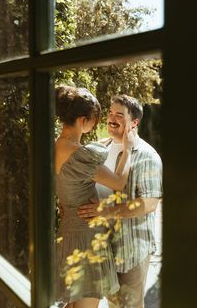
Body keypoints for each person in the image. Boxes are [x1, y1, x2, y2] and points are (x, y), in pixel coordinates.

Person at [78, 94, 163, 308]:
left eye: (119, 115)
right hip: (99, 246)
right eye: (110, 113)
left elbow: (148, 204)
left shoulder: (147, 156)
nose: (111, 118)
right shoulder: (99, 147)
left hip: (130, 250)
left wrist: (103, 210)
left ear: (134, 123)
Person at [55, 86, 136, 308]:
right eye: (94, 119)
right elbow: (119, 181)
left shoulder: (56, 145)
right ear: (83, 120)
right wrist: (128, 150)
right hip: (85, 236)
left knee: (70, 305)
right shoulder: (79, 155)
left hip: (67, 233)